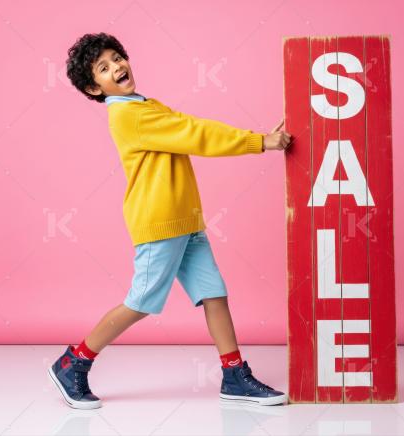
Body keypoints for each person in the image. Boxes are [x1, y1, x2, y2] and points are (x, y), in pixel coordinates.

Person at [47, 32, 293, 409]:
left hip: (186, 222)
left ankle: (234, 375)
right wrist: (258, 141)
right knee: (141, 302)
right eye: (103, 68)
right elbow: (194, 133)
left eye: (117, 58)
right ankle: (73, 362)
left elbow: (188, 126)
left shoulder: (143, 104)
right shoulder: (129, 115)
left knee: (214, 293)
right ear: (94, 89)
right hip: (160, 223)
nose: (117, 67)